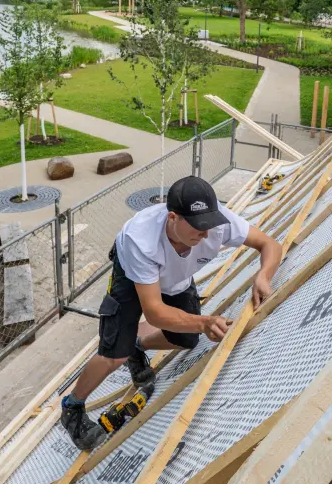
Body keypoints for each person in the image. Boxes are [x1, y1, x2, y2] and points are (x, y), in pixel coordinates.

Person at [59, 176, 282, 450]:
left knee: (186, 339)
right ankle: (72, 407)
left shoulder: (218, 223)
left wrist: (264, 275)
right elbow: (153, 311)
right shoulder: (140, 240)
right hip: (132, 276)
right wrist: (204, 321)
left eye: (208, 226)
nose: (204, 235)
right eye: (198, 228)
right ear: (173, 217)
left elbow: (269, 244)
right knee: (113, 355)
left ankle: (137, 346)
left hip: (175, 277)